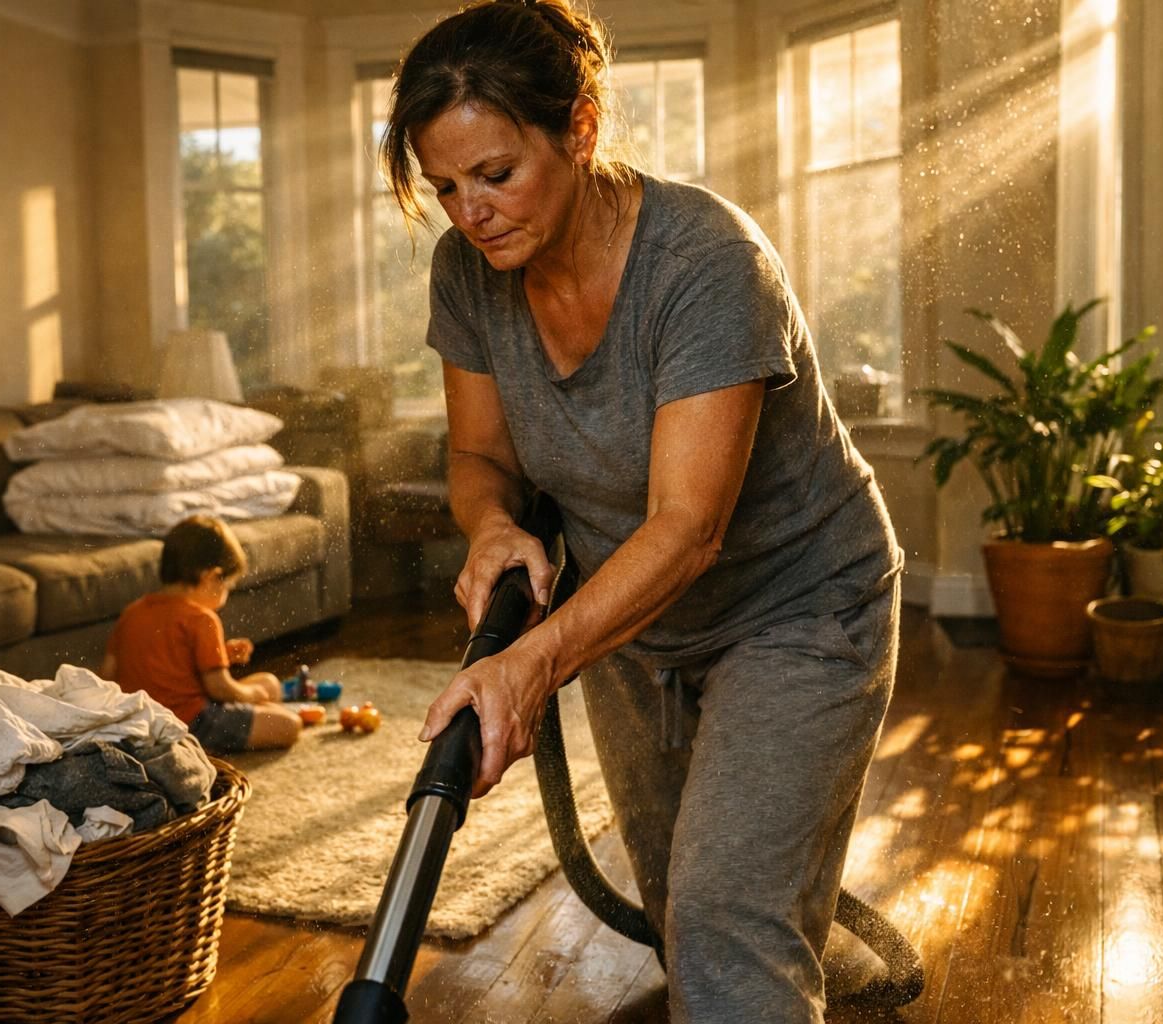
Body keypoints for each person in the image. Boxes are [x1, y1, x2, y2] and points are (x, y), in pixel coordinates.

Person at [384, 2, 903, 1021]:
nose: (470, 211)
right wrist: (491, 524)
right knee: (681, 904)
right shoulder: (470, 274)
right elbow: (481, 452)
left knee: (725, 917)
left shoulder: (705, 265)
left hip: (799, 607)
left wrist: (529, 663)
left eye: (495, 174)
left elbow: (689, 527)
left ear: (578, 129)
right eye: (445, 187)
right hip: (635, 627)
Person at [101, 514, 302, 753]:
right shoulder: (202, 618)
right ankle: (196, 748)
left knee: (269, 683)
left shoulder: (132, 612)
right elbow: (219, 688)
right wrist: (250, 695)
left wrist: (222, 654)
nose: (226, 594)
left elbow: (108, 674)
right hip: (192, 721)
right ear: (211, 578)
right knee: (290, 724)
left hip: (141, 722)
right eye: (227, 586)